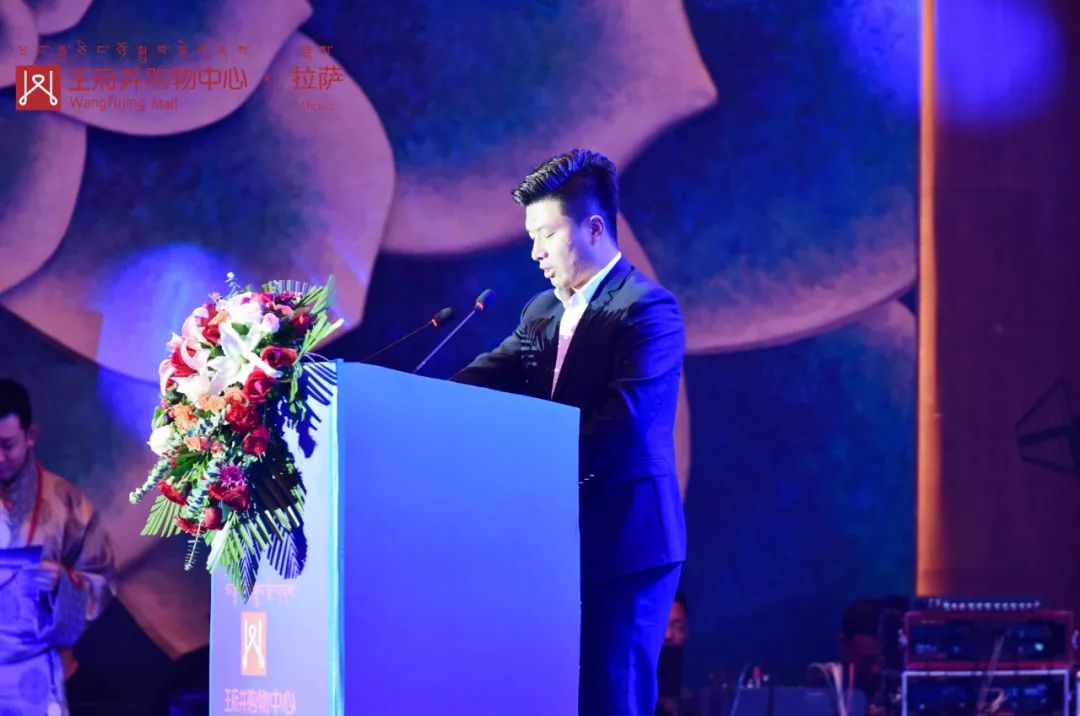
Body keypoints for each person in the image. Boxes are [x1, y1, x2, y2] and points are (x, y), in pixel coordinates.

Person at [452, 149, 686, 715]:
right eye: (531, 237)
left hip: (625, 543)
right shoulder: (542, 310)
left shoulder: (648, 309)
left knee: (611, 698)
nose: (535, 252)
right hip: (555, 542)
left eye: (547, 235)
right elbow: (480, 380)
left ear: (595, 228)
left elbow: (623, 427)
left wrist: (523, 471)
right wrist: (397, 396)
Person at [0, 378, 115, 715]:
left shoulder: (67, 502)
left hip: (38, 669)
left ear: (30, 436)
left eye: (7, 444)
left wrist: (63, 584)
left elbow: (102, 579)